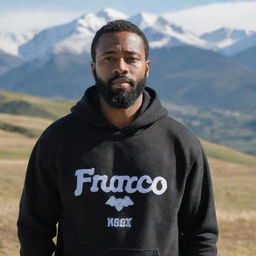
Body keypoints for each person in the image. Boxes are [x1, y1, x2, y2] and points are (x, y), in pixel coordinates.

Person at [17, 20, 218, 256]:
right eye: (109, 58)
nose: (121, 67)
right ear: (94, 67)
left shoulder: (181, 143)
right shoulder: (57, 139)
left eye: (131, 58)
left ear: (146, 67)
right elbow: (34, 230)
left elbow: (200, 235)